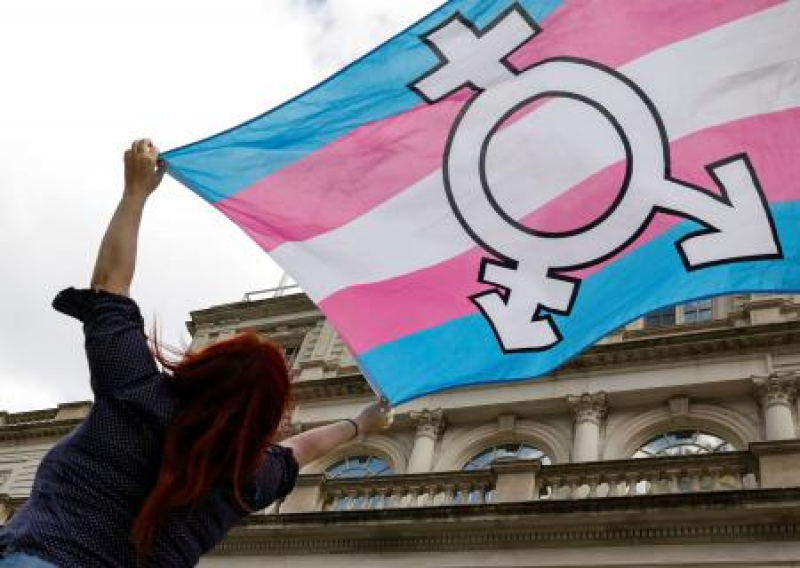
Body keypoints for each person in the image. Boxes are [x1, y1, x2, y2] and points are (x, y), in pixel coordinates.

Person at [0, 139, 392, 567]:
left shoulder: (137, 393)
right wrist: (361, 424)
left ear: (203, 367)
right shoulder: (248, 477)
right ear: (269, 411)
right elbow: (302, 448)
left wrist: (135, 193)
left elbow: (111, 285)